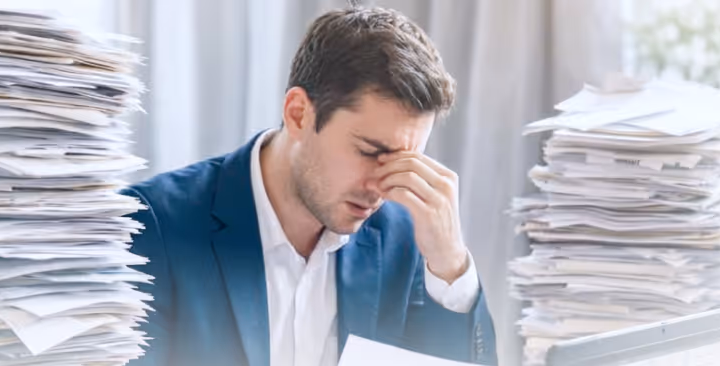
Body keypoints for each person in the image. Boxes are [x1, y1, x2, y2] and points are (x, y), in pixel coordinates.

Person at [123, 6, 497, 366]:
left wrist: (451, 265)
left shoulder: (407, 240)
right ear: (299, 113)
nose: (382, 187)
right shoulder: (151, 226)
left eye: (405, 161)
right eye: (370, 152)